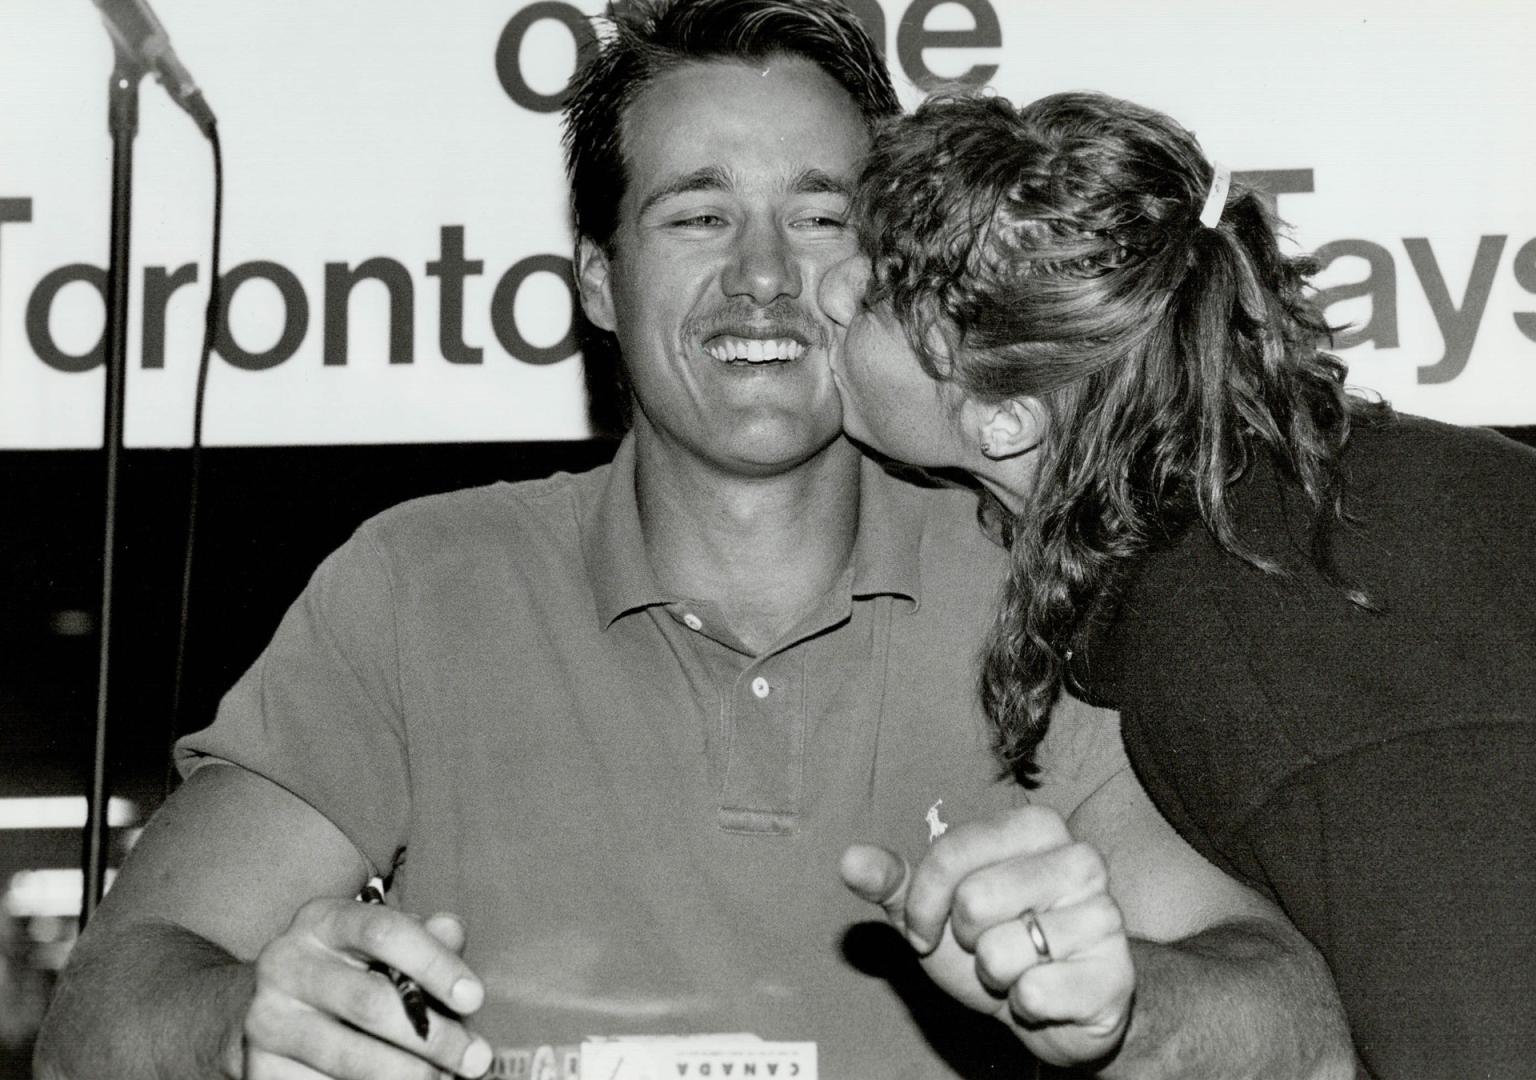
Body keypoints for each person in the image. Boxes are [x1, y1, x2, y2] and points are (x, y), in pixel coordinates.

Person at [34, 7, 1353, 1079]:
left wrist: (1123, 1004)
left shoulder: (1030, 576)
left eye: (823, 216)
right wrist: (244, 1027)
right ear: (599, 281)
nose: (767, 276)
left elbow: (1296, 1027)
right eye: (697, 215)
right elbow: (101, 1008)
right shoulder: (420, 583)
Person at [818, 88, 1536, 1078]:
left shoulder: (1254, 649)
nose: (823, 290)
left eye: (876, 299)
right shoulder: (1331, 492)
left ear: (1005, 420)